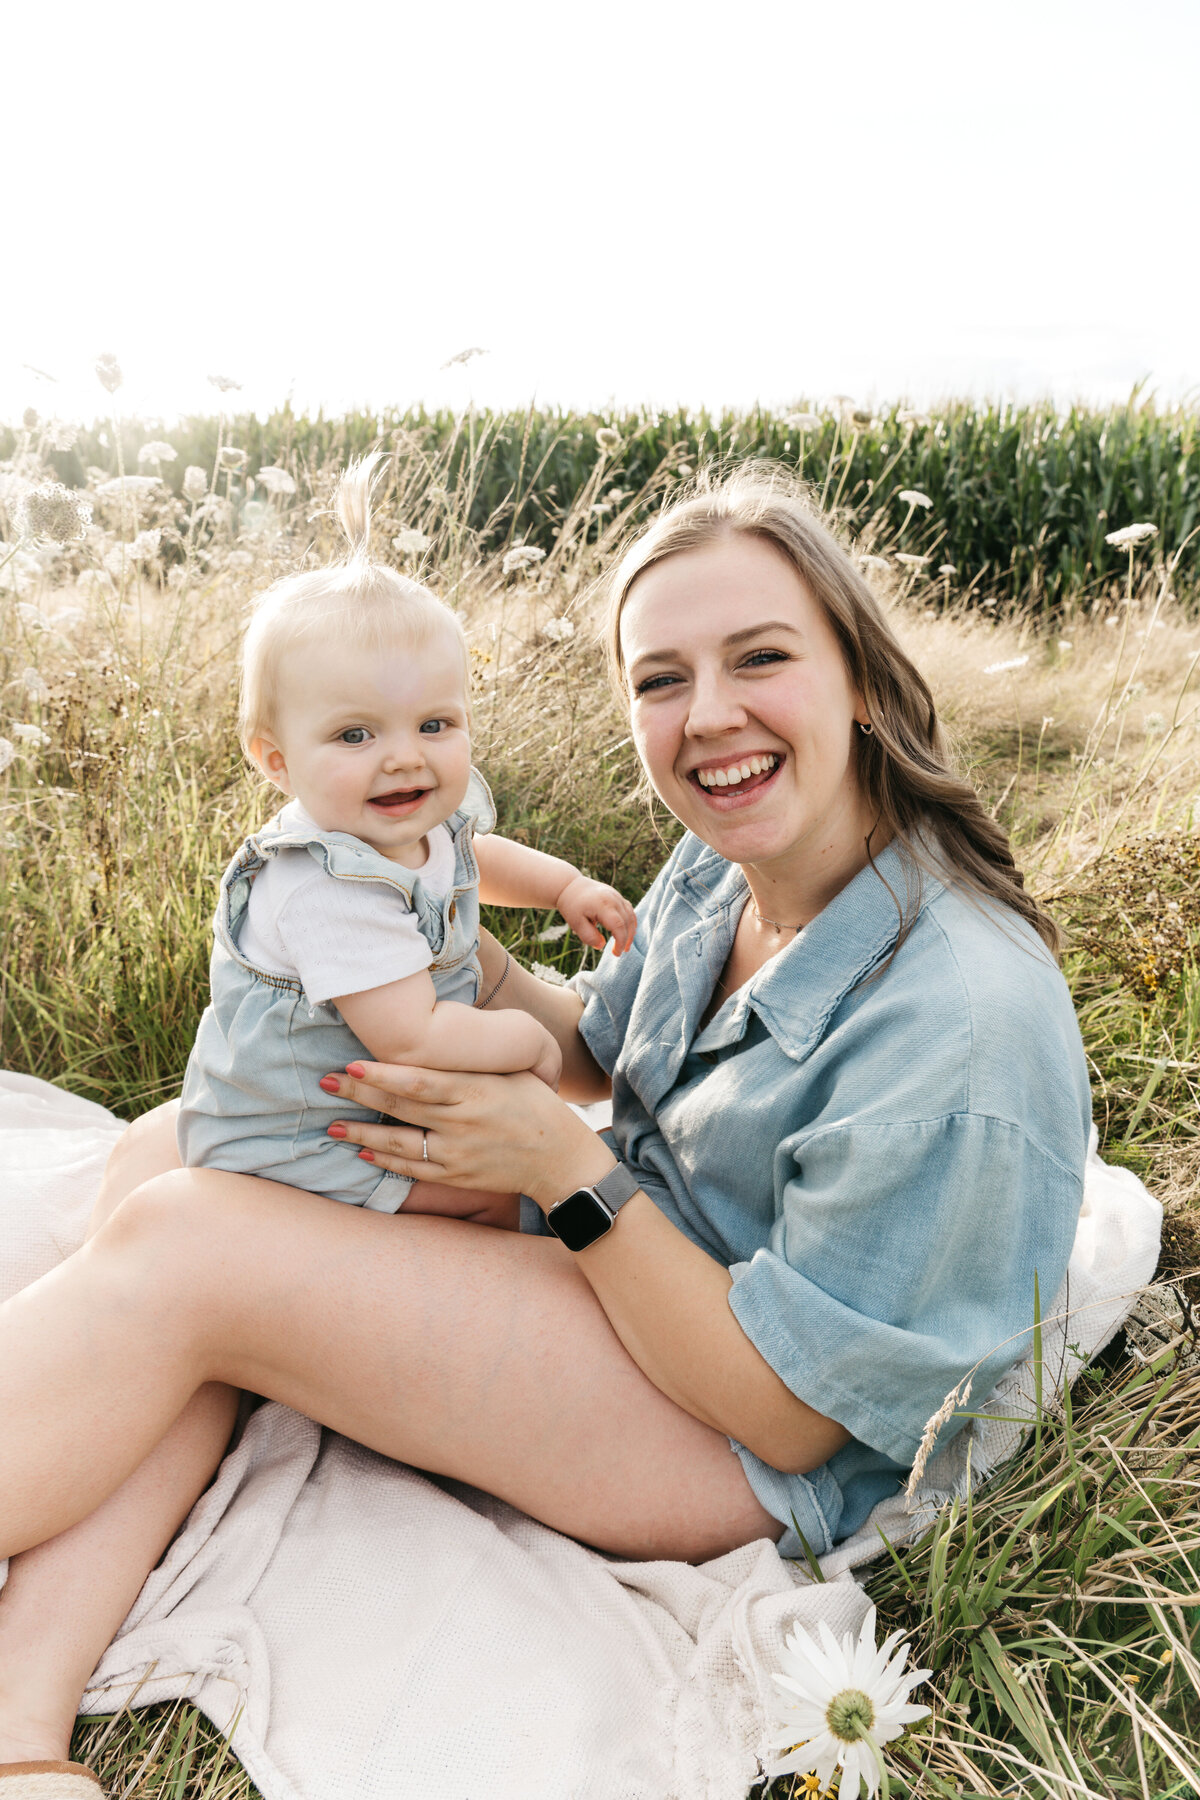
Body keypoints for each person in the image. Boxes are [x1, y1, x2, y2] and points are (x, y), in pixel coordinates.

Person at [0, 470, 1091, 1789]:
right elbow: (599, 1054)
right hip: (620, 1245)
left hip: (727, 1426)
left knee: (195, 1244)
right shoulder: (729, 847)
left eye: (760, 659)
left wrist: (564, 1175)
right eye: (661, 679)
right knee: (167, 1160)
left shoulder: (960, 1022)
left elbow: (799, 1421)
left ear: (859, 675)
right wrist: (471, 973)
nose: (709, 717)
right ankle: (21, 1731)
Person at [176, 453, 635, 1229]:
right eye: (355, 733)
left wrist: (562, 888)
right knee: (503, 1202)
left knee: (511, 1162)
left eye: (434, 724)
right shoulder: (325, 891)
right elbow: (414, 1038)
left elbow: (473, 859)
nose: (403, 756)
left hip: (378, 1102)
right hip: (299, 1144)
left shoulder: (405, 823)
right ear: (276, 760)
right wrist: (527, 1039)